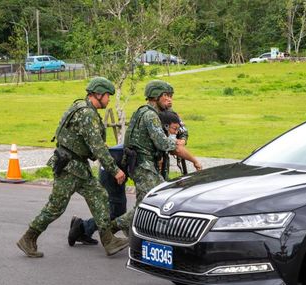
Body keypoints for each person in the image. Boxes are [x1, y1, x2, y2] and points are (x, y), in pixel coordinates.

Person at [16, 77, 128, 257]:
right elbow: (97, 147)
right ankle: (28, 238)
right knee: (55, 207)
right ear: (98, 94)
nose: (108, 99)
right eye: (107, 95)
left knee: (99, 195)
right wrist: (115, 170)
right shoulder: (87, 114)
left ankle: (108, 240)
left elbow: (87, 143)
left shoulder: (80, 107)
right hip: (70, 167)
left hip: (77, 166)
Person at [109, 80, 199, 237]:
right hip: (144, 165)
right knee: (150, 202)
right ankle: (108, 230)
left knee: (145, 203)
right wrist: (177, 144)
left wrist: (181, 138)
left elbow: (181, 128)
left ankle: (133, 233)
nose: (170, 99)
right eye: (166, 96)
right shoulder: (150, 115)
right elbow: (162, 142)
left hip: (147, 164)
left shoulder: (152, 112)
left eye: (171, 96)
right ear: (156, 96)